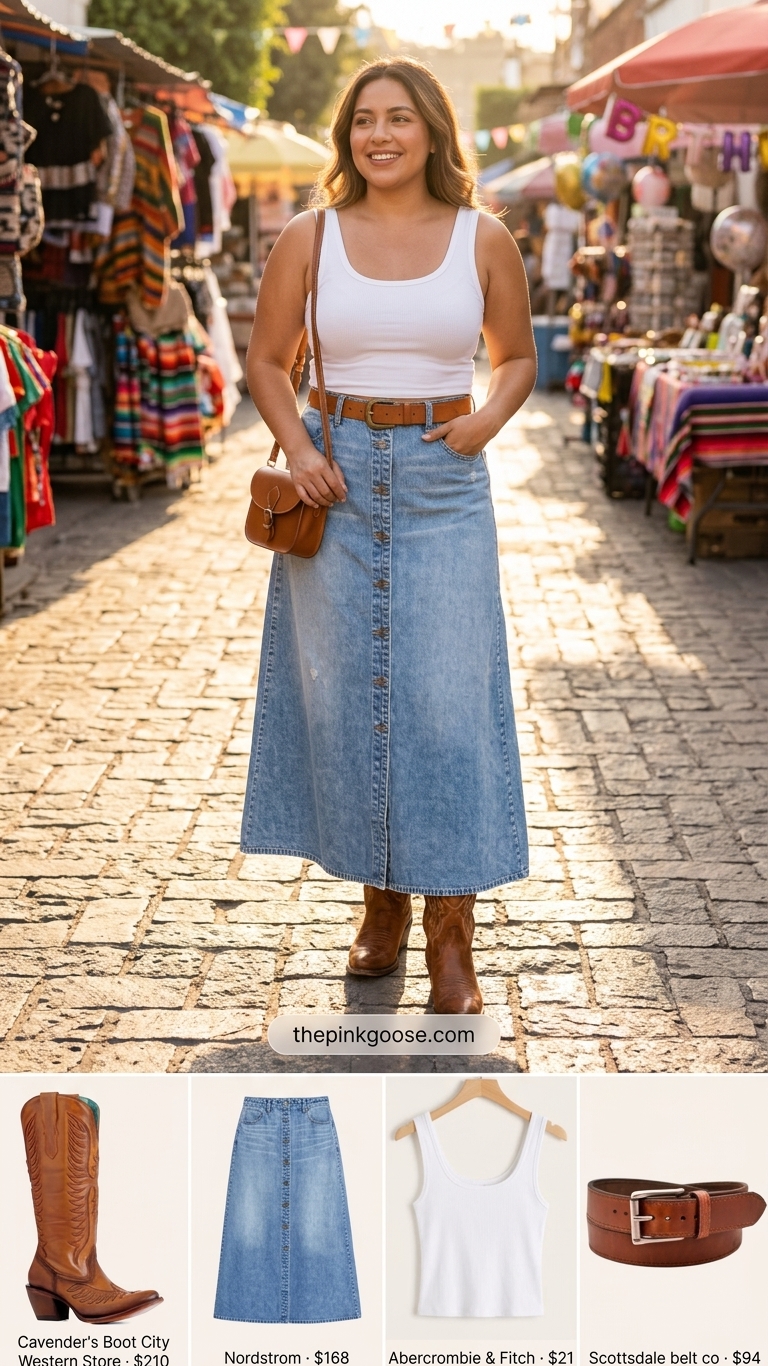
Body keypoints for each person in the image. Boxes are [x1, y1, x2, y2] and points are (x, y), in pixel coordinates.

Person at [243, 57, 537, 1014]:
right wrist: (297, 450)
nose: (380, 135)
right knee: (353, 698)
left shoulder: (484, 237)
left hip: (444, 476)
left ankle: (453, 936)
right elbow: (266, 361)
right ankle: (381, 907)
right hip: (334, 478)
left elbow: (518, 358)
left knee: (447, 702)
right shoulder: (310, 235)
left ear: (432, 131)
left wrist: (483, 425)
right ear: (348, 137)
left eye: (400, 118)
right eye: (365, 119)